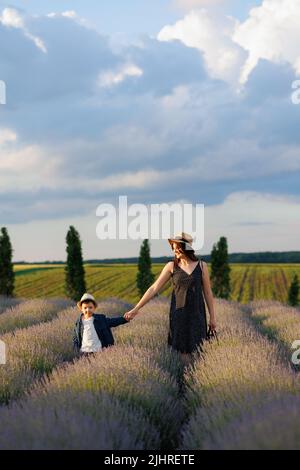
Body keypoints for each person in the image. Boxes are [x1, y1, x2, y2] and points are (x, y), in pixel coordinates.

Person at [124, 232, 217, 368]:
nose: (174, 250)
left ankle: (197, 380)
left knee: (198, 349)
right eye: (173, 247)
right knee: (181, 350)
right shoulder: (171, 266)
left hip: (197, 314)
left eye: (177, 247)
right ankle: (182, 382)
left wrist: (212, 318)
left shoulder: (202, 266)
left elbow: (208, 293)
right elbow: (154, 288)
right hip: (179, 314)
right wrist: (136, 308)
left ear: (186, 247)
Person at [73, 293, 130, 357]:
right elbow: (76, 337)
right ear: (81, 309)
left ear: (94, 308)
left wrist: (124, 319)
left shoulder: (101, 319)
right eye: (85, 308)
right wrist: (76, 350)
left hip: (99, 351)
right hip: (85, 352)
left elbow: (112, 321)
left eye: (90, 307)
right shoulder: (79, 323)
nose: (88, 310)